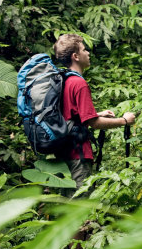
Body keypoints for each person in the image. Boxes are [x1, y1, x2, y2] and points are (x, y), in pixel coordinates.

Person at [54, 34, 136, 197]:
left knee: (65, 204)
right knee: (79, 205)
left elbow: (70, 116)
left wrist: (97, 113)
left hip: (62, 152)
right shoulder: (79, 83)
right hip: (78, 154)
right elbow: (94, 123)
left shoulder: (64, 80)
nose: (88, 53)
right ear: (75, 56)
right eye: (84, 50)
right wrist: (125, 121)